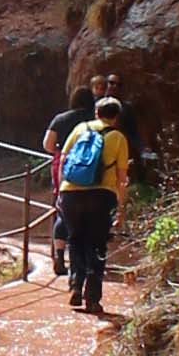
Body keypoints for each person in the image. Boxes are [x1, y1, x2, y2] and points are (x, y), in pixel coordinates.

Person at [51, 101, 117, 311]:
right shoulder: (118, 137)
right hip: (101, 196)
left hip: (71, 193)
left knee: (76, 240)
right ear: (116, 117)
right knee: (97, 245)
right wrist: (121, 207)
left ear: (96, 112)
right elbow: (122, 177)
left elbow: (63, 160)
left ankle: (76, 287)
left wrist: (61, 191)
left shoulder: (80, 129)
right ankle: (93, 298)